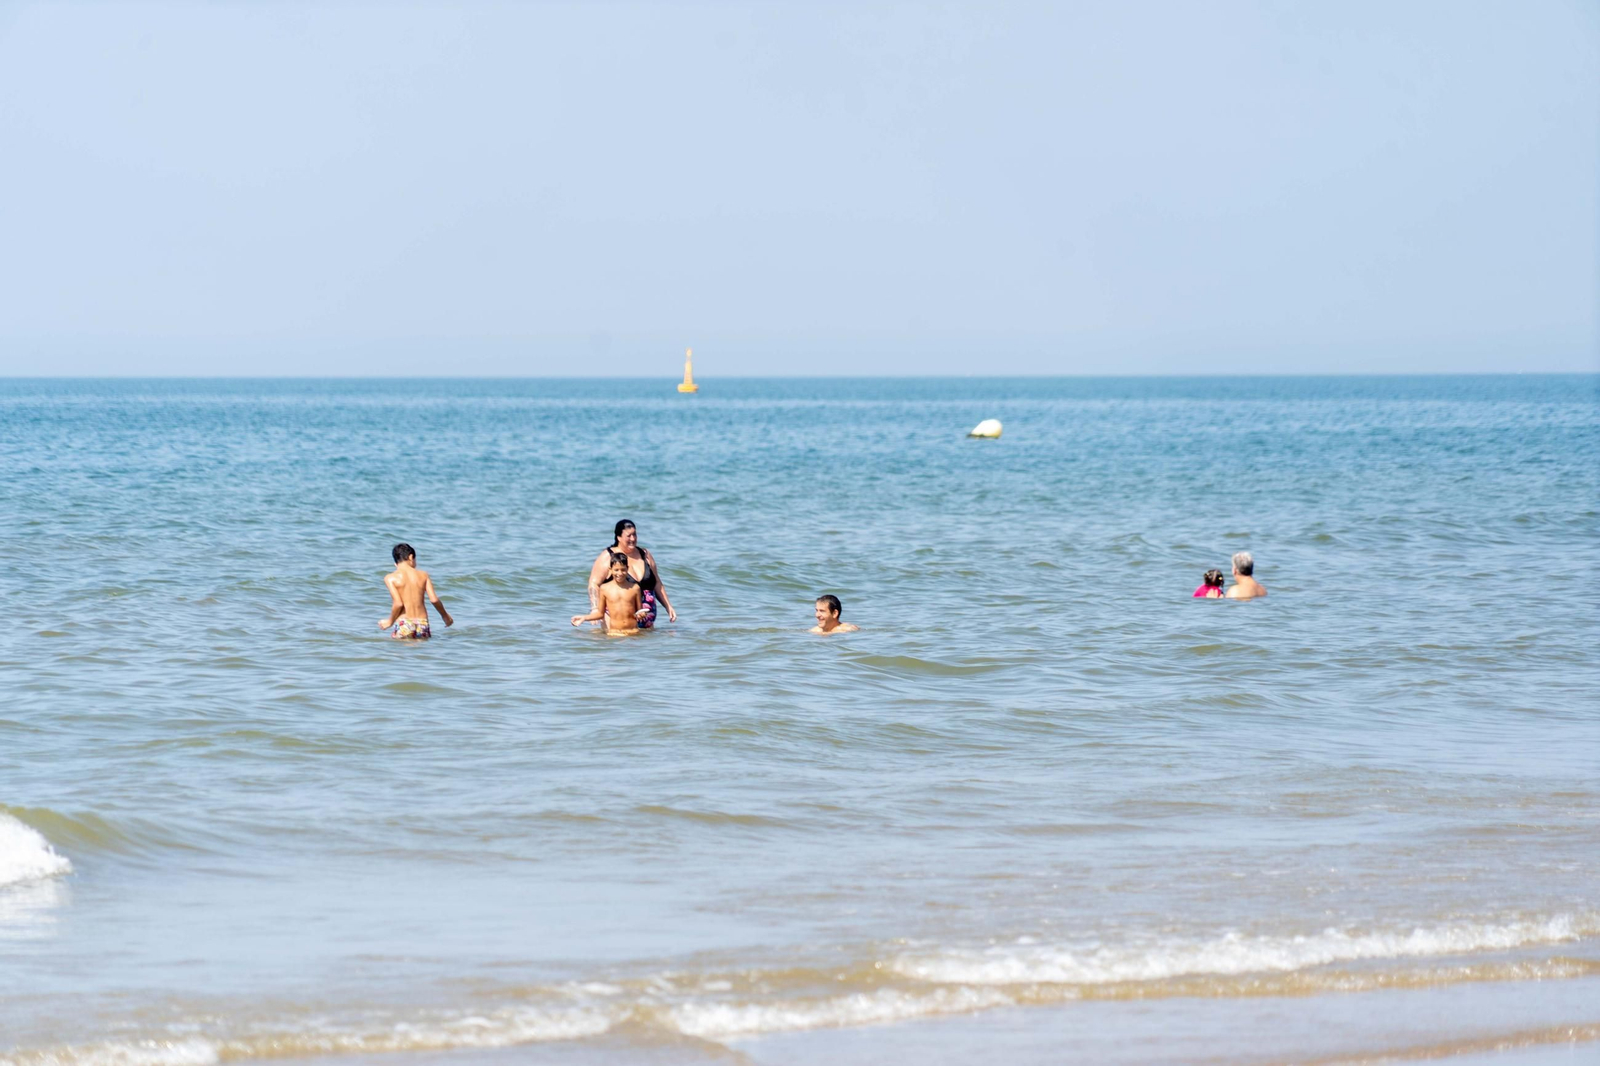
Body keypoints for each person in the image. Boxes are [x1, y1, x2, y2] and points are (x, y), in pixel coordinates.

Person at [586, 520, 677, 627]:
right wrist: (595, 608)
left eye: (634, 534)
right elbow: (594, 584)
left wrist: (668, 606)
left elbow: (657, 583)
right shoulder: (608, 556)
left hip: (646, 621)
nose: (633, 539)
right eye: (628, 536)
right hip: (617, 621)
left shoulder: (645, 555)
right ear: (618, 537)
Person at [379, 543, 454, 639]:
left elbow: (398, 604)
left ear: (396, 564)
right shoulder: (424, 575)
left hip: (405, 622)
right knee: (421, 652)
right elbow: (434, 600)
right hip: (422, 623)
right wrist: (445, 616)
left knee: (402, 653)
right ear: (411, 557)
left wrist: (390, 622)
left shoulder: (390, 578)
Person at [571, 552, 650, 633]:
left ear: (627, 568)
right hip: (615, 633)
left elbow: (639, 611)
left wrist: (642, 615)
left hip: (633, 632)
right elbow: (600, 614)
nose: (620, 573)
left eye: (623, 570)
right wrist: (584, 618)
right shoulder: (604, 588)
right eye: (616, 570)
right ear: (610, 570)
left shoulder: (635, 588)